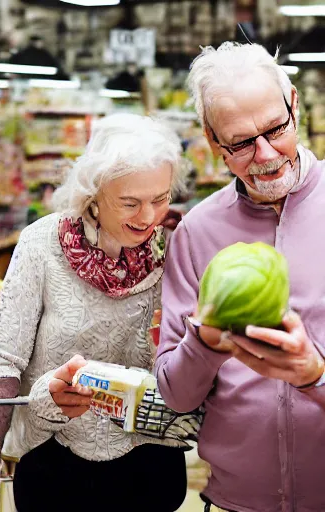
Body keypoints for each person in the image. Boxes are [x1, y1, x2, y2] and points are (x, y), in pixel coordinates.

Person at [0, 113, 188, 512]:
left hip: (152, 464)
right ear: (93, 192)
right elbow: (5, 360)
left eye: (160, 199)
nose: (148, 217)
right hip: (53, 464)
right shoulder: (41, 244)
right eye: (130, 202)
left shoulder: (176, 247)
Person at [154, 42, 325, 512]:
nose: (266, 155)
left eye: (276, 129)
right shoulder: (196, 233)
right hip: (234, 504)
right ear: (212, 140)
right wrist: (204, 344)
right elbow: (175, 395)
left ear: (294, 102)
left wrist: (317, 377)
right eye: (242, 143)